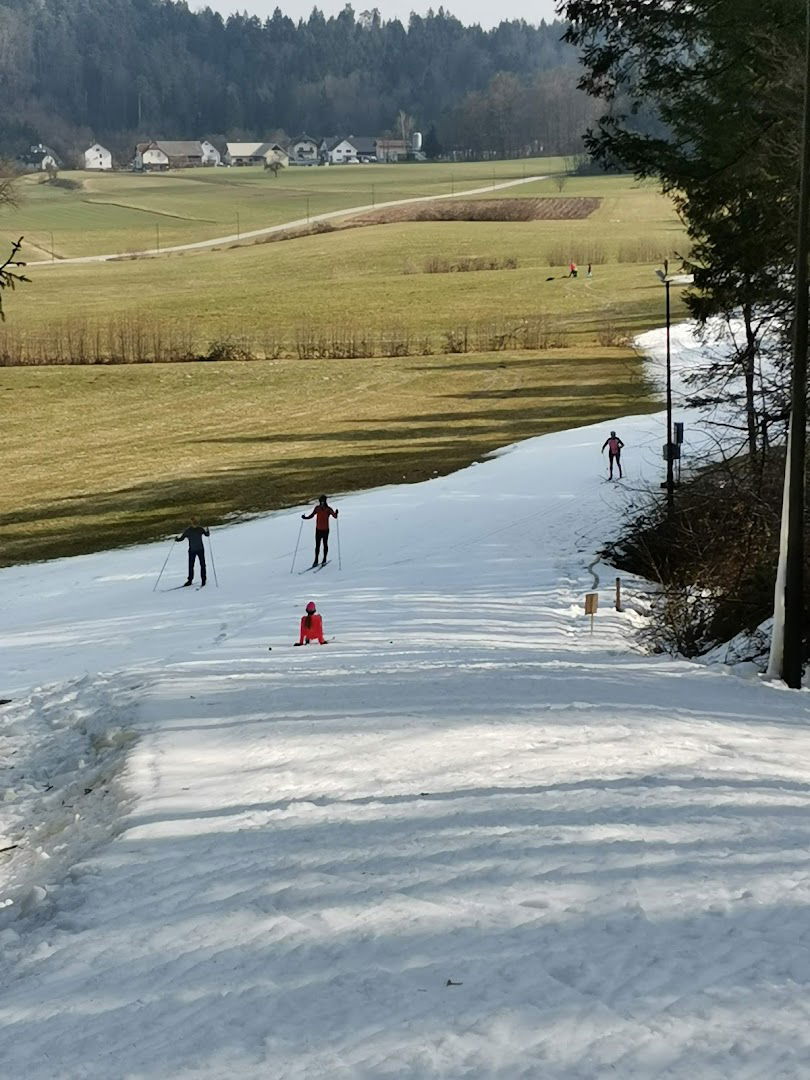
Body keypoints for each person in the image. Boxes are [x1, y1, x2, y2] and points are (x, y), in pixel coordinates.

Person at [302, 494, 338, 567]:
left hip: (325, 530)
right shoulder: (317, 508)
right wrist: (305, 517)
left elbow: (335, 516)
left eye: (323, 501)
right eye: (321, 501)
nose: (322, 502)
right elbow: (312, 515)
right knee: (317, 546)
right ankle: (316, 560)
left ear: (325, 501)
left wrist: (336, 513)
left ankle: (324, 559)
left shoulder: (328, 509)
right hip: (318, 530)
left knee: (325, 544)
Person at [176, 517, 209, 586]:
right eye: (194, 523)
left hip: (199, 550)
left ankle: (203, 580)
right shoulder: (189, 530)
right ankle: (190, 580)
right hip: (193, 550)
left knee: (202, 565)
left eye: (195, 523)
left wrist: (207, 532)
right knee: (192, 565)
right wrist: (177, 539)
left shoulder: (199, 529)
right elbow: (182, 538)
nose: (195, 525)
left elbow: (206, 535)